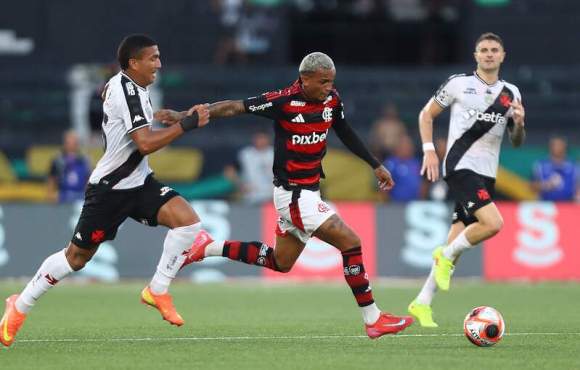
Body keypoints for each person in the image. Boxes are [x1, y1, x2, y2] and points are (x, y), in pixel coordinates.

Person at [159, 52, 414, 339]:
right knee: (351, 242)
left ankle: (206, 247)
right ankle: (373, 318)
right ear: (304, 80)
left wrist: (375, 165)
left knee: (281, 262)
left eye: (331, 81)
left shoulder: (332, 100)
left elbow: (344, 131)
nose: (328, 87)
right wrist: (185, 116)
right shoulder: (282, 101)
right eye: (323, 82)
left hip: (309, 192)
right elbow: (233, 107)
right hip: (293, 194)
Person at [0, 34, 209, 347]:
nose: (159, 63)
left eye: (158, 56)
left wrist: (165, 116)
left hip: (139, 182)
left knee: (189, 222)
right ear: (133, 62)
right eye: (152, 58)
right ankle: (19, 306)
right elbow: (145, 142)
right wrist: (185, 126)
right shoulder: (127, 91)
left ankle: (157, 290)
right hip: (110, 188)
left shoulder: (128, 85)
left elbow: (114, 101)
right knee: (76, 258)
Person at [407, 32, 526, 327]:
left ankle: (421, 302)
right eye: (483, 50)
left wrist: (519, 124)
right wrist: (429, 150)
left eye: (494, 50)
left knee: (457, 238)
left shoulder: (511, 93)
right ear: (476, 55)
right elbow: (426, 115)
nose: (488, 54)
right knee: (493, 224)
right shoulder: (459, 84)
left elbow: (517, 141)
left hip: (487, 173)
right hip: (461, 166)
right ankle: (444, 255)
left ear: (502, 55)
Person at [47, 130, 91, 203]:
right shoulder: (57, 161)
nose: (71, 146)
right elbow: (51, 181)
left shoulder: (84, 160)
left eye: (74, 143)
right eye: (69, 143)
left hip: (80, 197)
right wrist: (51, 196)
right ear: (64, 144)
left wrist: (88, 197)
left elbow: (89, 181)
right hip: (62, 196)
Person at [531, 136, 579, 201]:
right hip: (547, 205)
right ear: (550, 147)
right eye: (554, 145)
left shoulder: (574, 166)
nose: (556, 147)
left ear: (565, 146)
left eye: (559, 145)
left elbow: (578, 186)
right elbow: (532, 186)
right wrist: (546, 185)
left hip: (569, 205)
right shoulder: (540, 165)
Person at [383, 134, 424, 202]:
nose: (408, 148)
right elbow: (384, 187)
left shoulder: (416, 162)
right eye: (404, 146)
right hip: (395, 204)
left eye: (409, 145)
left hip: (415, 204)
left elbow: (422, 184)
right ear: (397, 148)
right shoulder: (390, 163)